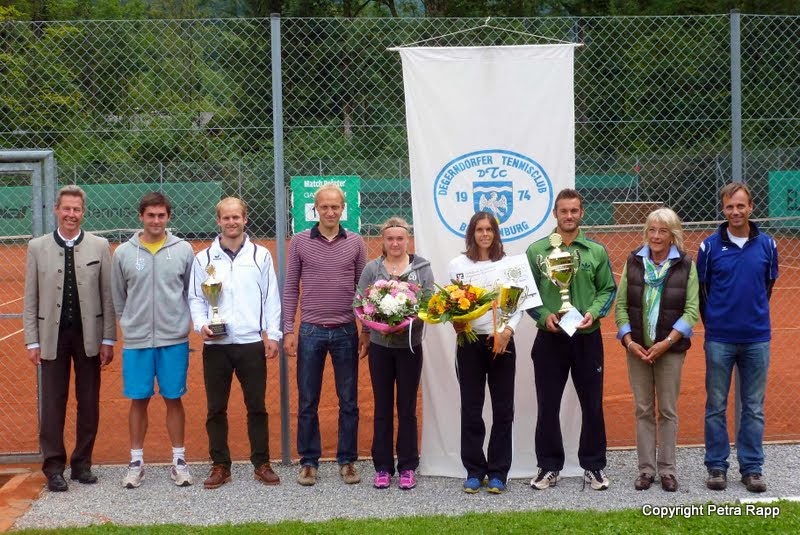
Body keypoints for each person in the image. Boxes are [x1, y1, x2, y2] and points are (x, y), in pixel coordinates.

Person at [23, 185, 115, 492]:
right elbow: (30, 298)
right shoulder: (37, 247)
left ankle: (82, 464)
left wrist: (108, 339)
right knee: (53, 403)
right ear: (56, 210)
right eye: (66, 209)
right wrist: (32, 340)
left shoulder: (100, 246)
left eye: (76, 209)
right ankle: (54, 467)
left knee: (88, 401)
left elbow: (107, 296)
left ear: (83, 212)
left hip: (88, 336)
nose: (71, 215)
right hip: (52, 336)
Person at [526, 188, 616, 491]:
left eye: (574, 211)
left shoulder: (595, 251)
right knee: (547, 404)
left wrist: (593, 312)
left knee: (592, 404)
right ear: (555, 214)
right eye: (563, 211)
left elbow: (607, 289)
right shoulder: (537, 251)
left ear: (582, 213)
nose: (569, 216)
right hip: (550, 338)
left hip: (586, 337)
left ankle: (593, 467)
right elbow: (527, 293)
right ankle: (548, 467)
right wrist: (543, 316)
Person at [189, 197, 282, 489]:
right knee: (216, 408)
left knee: (256, 406)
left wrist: (273, 334)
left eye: (236, 217)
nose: (232, 222)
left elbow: (271, 297)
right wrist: (201, 325)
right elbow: (195, 297)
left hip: (250, 342)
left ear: (245, 219)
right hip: (216, 346)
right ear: (218, 221)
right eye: (226, 218)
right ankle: (220, 465)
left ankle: (261, 463)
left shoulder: (261, 255)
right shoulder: (203, 258)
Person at [283, 183, 367, 486]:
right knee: (308, 400)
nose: (330, 212)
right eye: (324, 206)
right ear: (315, 209)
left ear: (343, 209)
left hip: (346, 331)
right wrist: (288, 329)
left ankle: (347, 462)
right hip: (310, 331)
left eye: (335, 206)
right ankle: (308, 461)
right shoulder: (300, 242)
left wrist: (366, 331)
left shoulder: (356, 243)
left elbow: (364, 292)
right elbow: (291, 287)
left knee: (349, 401)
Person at [698, 182, 778, 493]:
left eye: (740, 206)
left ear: (751, 207)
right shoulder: (709, 247)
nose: (735, 211)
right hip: (719, 338)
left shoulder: (768, 246)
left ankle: (752, 468)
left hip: (757, 338)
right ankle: (716, 466)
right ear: (723, 209)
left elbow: (767, 287)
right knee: (716, 405)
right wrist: (717, 322)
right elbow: (704, 291)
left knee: (754, 406)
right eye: (730, 206)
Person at [111, 192, 195, 489]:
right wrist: (130, 324)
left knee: (174, 397)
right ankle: (136, 461)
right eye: (151, 215)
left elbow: (190, 293)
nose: (156, 221)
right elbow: (118, 298)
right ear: (141, 216)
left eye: (161, 215)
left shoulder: (184, 250)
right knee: (139, 399)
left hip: (173, 338)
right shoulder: (123, 253)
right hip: (137, 340)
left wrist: (181, 323)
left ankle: (179, 461)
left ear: (168, 217)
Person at [615, 208, 699, 492]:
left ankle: (667, 470)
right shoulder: (633, 261)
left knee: (667, 410)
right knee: (643, 409)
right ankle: (646, 470)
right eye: (652, 230)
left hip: (670, 350)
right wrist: (629, 341)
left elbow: (691, 311)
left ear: (673, 234)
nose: (656, 236)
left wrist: (667, 342)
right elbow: (622, 306)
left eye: (663, 231)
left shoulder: (686, 265)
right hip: (636, 348)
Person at [357, 217, 433, 491]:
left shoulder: (422, 268)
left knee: (407, 408)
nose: (395, 243)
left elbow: (428, 304)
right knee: (382, 407)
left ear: (407, 240)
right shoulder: (372, 269)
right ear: (383, 241)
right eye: (390, 238)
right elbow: (361, 302)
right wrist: (376, 325)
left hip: (410, 348)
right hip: (380, 348)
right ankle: (383, 467)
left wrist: (404, 321)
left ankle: (408, 466)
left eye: (400, 238)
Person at [449, 211, 522, 495]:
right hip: (469, 344)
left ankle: (498, 472)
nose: (485, 234)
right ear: (472, 233)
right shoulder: (457, 265)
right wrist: (457, 322)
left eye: (489, 229)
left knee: (503, 409)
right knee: (471, 408)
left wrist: (507, 331)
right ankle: (474, 470)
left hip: (501, 342)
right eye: (479, 229)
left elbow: (516, 305)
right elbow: (455, 307)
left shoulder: (510, 264)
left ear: (496, 233)